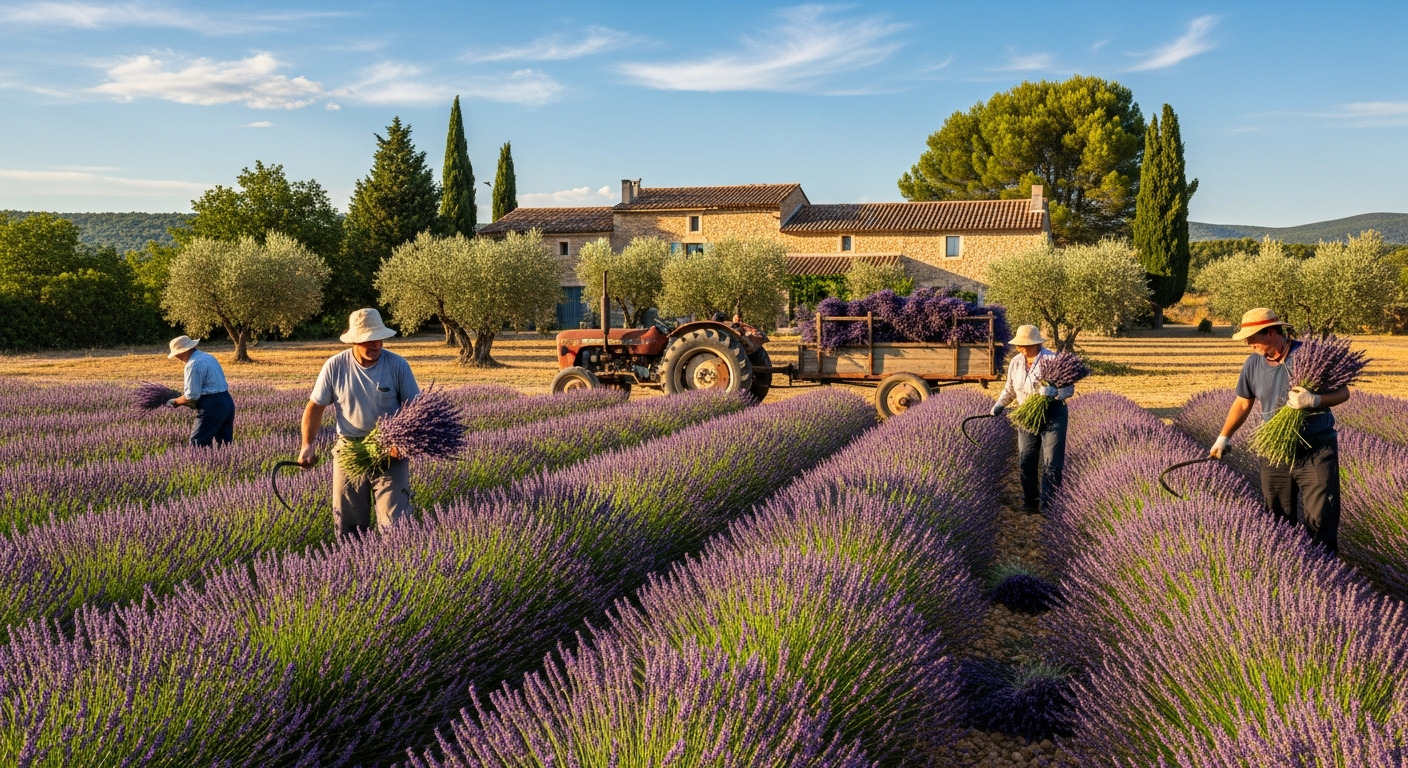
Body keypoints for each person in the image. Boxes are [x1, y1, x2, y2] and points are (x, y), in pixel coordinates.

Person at [1209, 307, 1348, 554]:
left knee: (1321, 519)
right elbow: (1243, 402)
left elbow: (1343, 393)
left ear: (1271, 333)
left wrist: (1314, 400)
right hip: (1274, 450)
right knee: (1277, 518)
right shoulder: (1253, 363)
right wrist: (1223, 437)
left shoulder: (1309, 356)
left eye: (1251, 338)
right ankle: (1290, 566)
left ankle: (1324, 570)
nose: (1248, 343)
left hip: (1315, 449)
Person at [298, 308, 420, 536]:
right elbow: (315, 407)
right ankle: (354, 568)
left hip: (391, 450)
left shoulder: (397, 365)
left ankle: (395, 566)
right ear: (355, 341)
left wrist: (403, 443)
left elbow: (416, 410)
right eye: (368, 340)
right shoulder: (335, 366)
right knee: (349, 526)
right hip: (349, 449)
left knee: (396, 525)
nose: (375, 345)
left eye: (379, 339)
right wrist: (307, 444)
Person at [990, 325, 1075, 513]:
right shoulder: (1016, 362)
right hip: (1027, 415)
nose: (1022, 349)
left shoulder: (1052, 360)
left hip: (1053, 415)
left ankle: (1049, 506)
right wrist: (999, 405)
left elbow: (1069, 389)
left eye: (1025, 345)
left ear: (1036, 344)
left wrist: (1055, 392)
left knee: (1051, 462)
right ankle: (1030, 503)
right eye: (1020, 345)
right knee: (1026, 459)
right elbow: (1010, 389)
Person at [165, 335, 235, 447]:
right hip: (227, 401)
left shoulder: (193, 364)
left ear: (183, 351)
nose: (177, 357)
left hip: (212, 406)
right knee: (225, 444)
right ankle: (226, 463)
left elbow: (192, 395)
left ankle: (204, 464)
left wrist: (175, 402)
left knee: (198, 444)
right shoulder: (208, 357)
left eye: (177, 354)